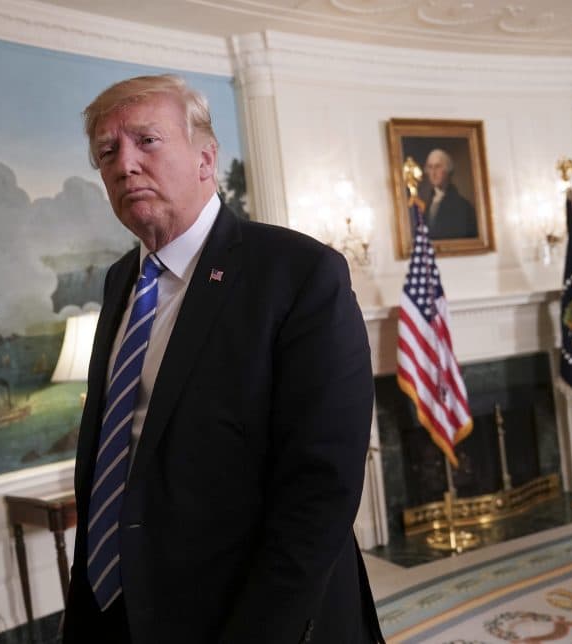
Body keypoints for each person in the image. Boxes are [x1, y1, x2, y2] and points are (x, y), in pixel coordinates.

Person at [62, 74, 382, 643]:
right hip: (127, 611)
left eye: (147, 141)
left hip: (253, 619)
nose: (124, 164)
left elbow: (321, 491)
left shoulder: (298, 274)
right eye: (107, 152)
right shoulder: (119, 283)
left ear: (206, 158)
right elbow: (116, 459)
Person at [418, 148, 477, 240]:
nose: (433, 173)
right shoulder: (426, 203)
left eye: (437, 167)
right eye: (430, 167)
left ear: (448, 170)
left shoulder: (462, 206)